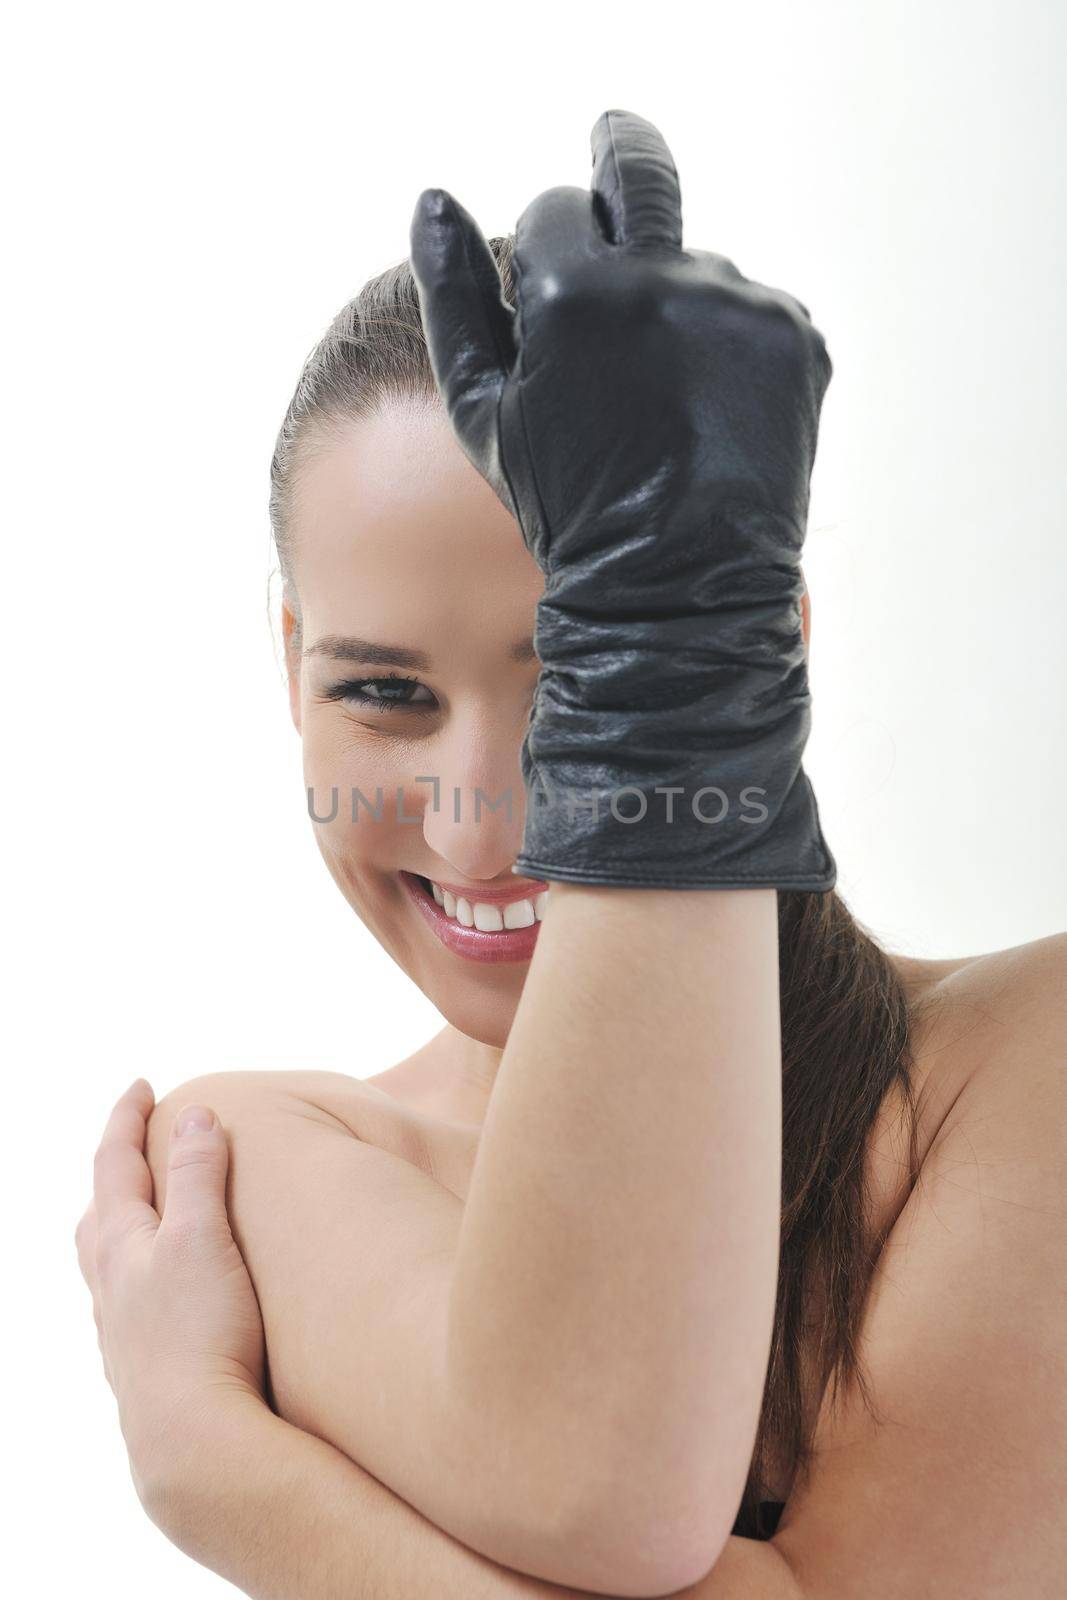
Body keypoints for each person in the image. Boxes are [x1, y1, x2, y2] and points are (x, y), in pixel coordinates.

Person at [75, 110, 1067, 1599]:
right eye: (382, 691)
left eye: (580, 685)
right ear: (289, 667)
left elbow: (594, 1494)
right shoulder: (247, 1161)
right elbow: (602, 1493)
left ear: (757, 653)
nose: (481, 824)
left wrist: (225, 1476)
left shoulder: (1031, 1064)